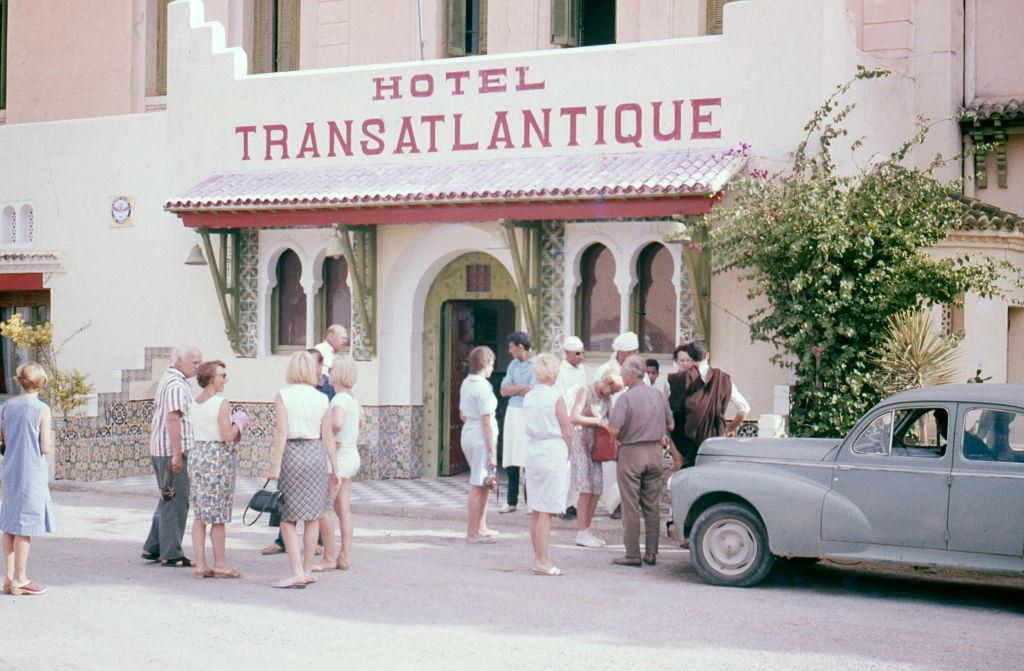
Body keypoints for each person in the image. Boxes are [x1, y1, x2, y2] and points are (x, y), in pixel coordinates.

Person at [267, 351, 338, 589]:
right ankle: (307, 570)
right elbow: (327, 436)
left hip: (293, 455)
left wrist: (275, 466)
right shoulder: (322, 398)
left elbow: (281, 433)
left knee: (287, 517)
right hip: (316, 454)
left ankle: (296, 571)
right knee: (313, 516)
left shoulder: (283, 396)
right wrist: (335, 467)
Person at [607, 355, 673, 567]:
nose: (621, 376)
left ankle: (632, 554)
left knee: (630, 506)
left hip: (631, 453)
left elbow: (614, 430)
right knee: (652, 506)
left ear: (629, 374)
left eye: (622, 372)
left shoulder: (625, 398)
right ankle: (652, 552)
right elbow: (670, 425)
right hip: (655, 452)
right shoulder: (658, 395)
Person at [142, 346, 202, 567]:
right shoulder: (176, 385)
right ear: (179, 362)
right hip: (170, 450)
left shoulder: (169, 379)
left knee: (167, 497)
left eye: (199, 363)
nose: (198, 367)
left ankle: (153, 546)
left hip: (162, 448)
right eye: (194, 363)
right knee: (176, 501)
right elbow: (173, 420)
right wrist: (177, 455)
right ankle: (172, 552)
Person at [188, 360, 247, 579]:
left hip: (198, 455)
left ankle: (201, 564)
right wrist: (240, 422)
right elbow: (227, 435)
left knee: (200, 514)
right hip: (217, 458)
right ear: (211, 378)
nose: (225, 378)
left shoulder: (195, 402)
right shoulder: (221, 403)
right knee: (219, 516)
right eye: (222, 375)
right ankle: (220, 564)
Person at [0, 363, 54, 595]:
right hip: (31, 471)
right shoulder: (42, 409)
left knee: (10, 523)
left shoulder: (6, 406)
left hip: (10, 469)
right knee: (25, 524)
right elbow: (45, 446)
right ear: (40, 383)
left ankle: (9, 577)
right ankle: (21, 579)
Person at [523, 353, 573, 576]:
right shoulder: (556, 397)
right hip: (552, 450)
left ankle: (538, 557)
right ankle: (542, 560)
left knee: (536, 508)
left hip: (534, 450)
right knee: (545, 510)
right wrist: (570, 452)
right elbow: (567, 430)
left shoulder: (529, 396)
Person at [317, 355, 364, 569]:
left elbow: (337, 423)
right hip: (351, 455)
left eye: (332, 368)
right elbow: (360, 423)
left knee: (324, 507)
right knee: (343, 508)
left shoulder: (338, 400)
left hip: (339, 458)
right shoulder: (352, 398)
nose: (329, 371)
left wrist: (324, 433)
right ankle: (344, 556)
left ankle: (328, 556)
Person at [672, 340, 750, 467]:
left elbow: (673, 413)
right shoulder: (723, 380)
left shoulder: (679, 380)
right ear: (708, 355)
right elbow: (744, 409)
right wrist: (730, 428)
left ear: (690, 358)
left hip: (688, 443)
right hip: (716, 441)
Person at [569, 370, 623, 549]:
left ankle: (586, 529)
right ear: (605, 383)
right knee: (586, 489)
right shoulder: (585, 391)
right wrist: (597, 421)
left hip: (597, 447)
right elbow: (574, 417)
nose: (612, 394)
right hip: (583, 445)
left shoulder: (606, 398)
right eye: (612, 390)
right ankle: (581, 532)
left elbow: (612, 418)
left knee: (597, 489)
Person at [593, 331, 639, 520]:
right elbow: (597, 398)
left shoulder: (636, 369)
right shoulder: (604, 369)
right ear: (621, 353)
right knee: (610, 466)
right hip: (609, 425)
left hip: (632, 425)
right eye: (630, 352)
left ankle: (623, 504)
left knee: (629, 466)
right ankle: (611, 504)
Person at [458, 346, 500, 544]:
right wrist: (492, 452)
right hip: (480, 436)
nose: (493, 368)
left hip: (469, 430)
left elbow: (462, 414)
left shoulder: (467, 383)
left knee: (484, 483)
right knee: (477, 484)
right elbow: (486, 421)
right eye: (491, 364)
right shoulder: (482, 386)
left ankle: (481, 527)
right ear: (486, 364)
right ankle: (472, 532)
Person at [499, 331, 536, 513]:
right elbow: (503, 390)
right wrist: (521, 387)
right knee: (512, 455)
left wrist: (516, 388)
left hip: (528, 412)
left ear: (521, 347)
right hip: (513, 412)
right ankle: (511, 501)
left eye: (512, 347)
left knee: (528, 457)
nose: (509, 351)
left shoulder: (536, 364)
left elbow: (534, 390)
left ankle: (531, 502)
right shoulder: (513, 365)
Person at [555, 336, 587, 519]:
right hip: (565, 423)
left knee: (575, 466)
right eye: (577, 354)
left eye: (582, 353)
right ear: (566, 353)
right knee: (564, 466)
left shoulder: (581, 370)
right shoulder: (560, 371)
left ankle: (572, 504)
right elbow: (561, 400)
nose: (580, 357)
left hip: (579, 423)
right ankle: (561, 504)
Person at [666, 344, 696, 468]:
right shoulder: (670, 380)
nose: (685, 363)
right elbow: (665, 405)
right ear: (677, 361)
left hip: (694, 428)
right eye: (682, 360)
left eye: (688, 360)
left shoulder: (699, 380)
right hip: (676, 427)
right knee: (679, 465)